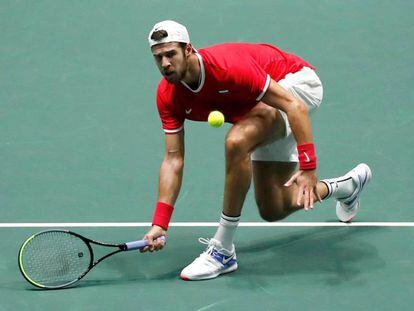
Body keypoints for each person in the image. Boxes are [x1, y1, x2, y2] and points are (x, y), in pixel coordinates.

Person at [141, 20, 372, 281]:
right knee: (274, 207)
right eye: (158, 57)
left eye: (171, 54)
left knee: (237, 141)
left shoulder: (227, 67)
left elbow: (293, 106)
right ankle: (347, 187)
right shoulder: (167, 96)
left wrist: (309, 167)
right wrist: (160, 223)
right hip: (260, 106)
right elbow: (173, 160)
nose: (165, 64)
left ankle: (223, 250)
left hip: (296, 84)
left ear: (188, 50)